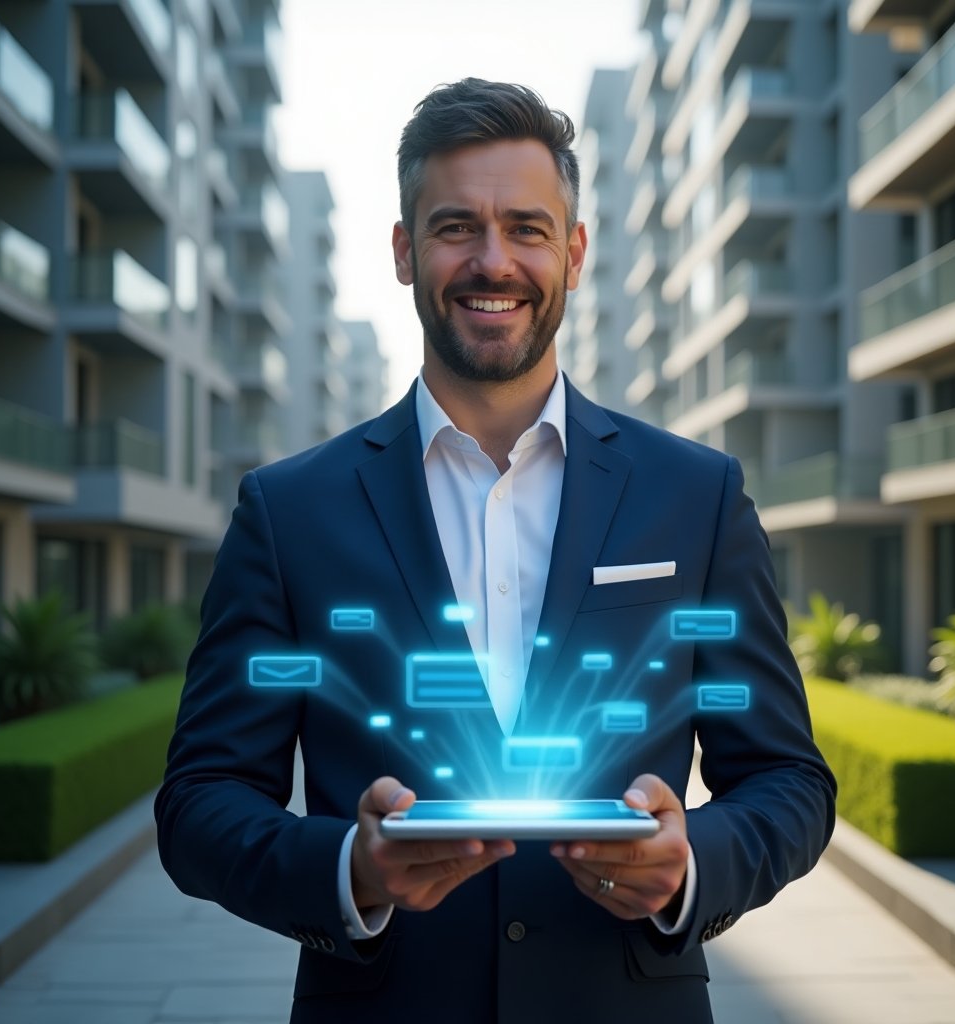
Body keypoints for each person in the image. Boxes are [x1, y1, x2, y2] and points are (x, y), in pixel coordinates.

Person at [155, 78, 836, 1023]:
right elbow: (200, 804)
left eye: (526, 227)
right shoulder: (287, 511)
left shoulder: (696, 495)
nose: (492, 261)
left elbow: (789, 782)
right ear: (404, 251)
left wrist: (691, 866)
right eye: (454, 228)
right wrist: (351, 869)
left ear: (575, 252)